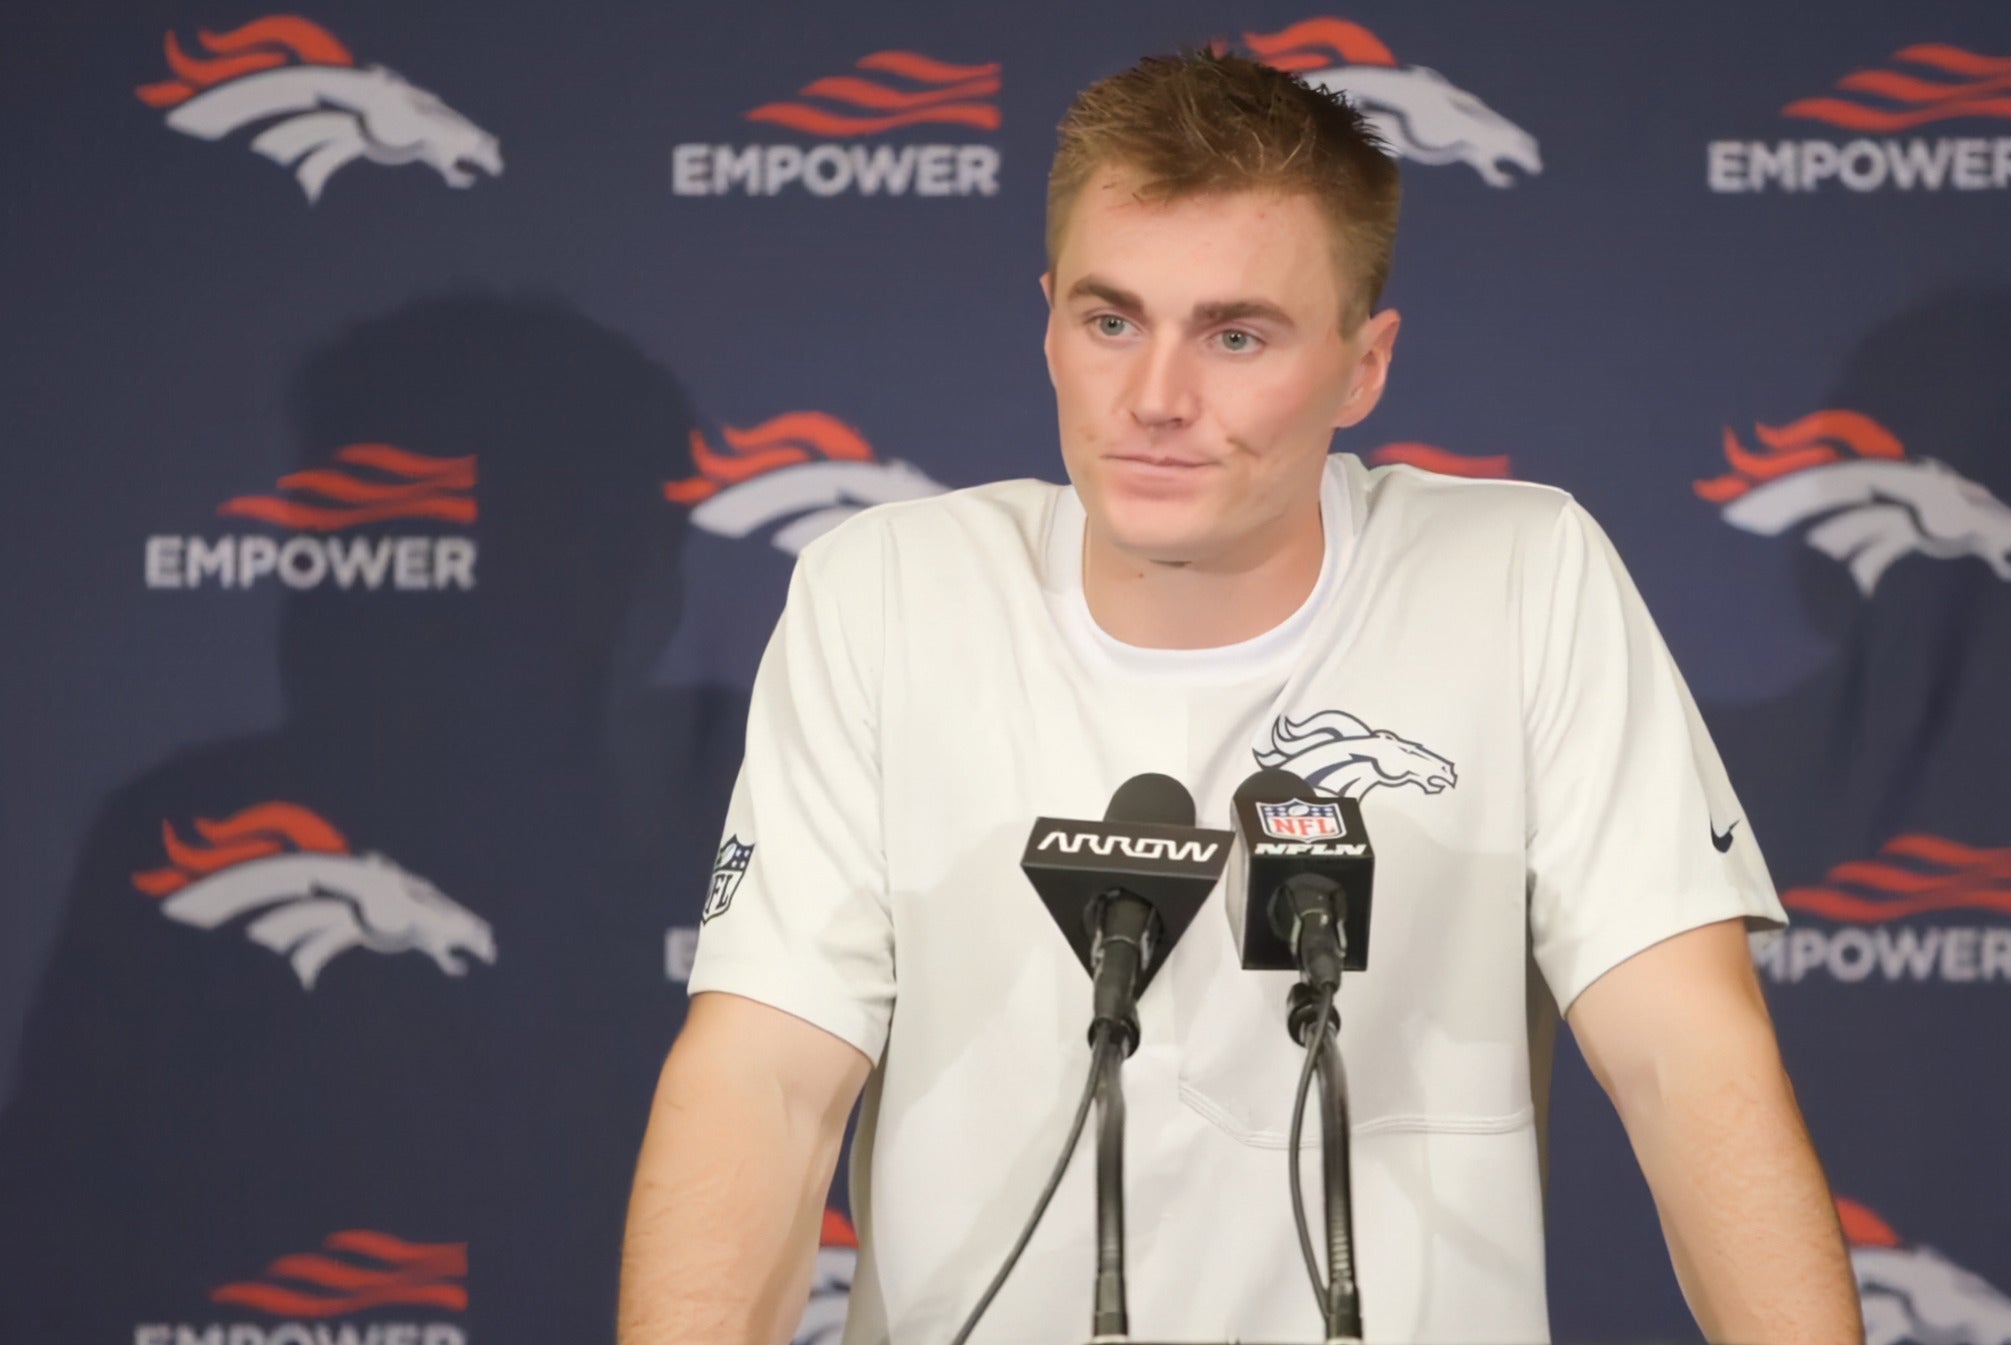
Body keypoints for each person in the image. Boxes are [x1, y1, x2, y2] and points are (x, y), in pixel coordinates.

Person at [618, 52, 1862, 1345]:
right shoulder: (882, 593)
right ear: (1048, 322)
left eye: (1236, 334)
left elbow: (1689, 1063)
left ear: (1364, 364)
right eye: (1112, 321)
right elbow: (762, 1084)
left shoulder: (1520, 577)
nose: (1157, 398)